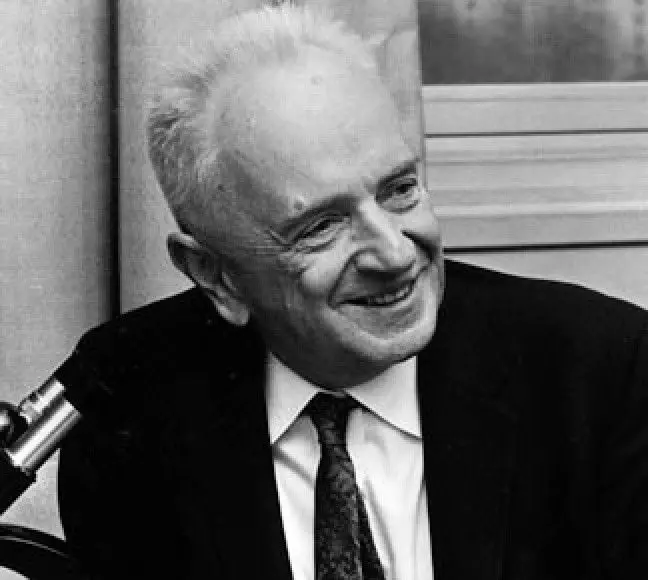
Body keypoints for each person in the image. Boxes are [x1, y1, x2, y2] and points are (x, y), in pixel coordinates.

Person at [57, 5, 648, 580]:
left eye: (400, 189)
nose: (396, 254)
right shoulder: (126, 400)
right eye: (321, 226)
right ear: (215, 274)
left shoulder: (603, 372)